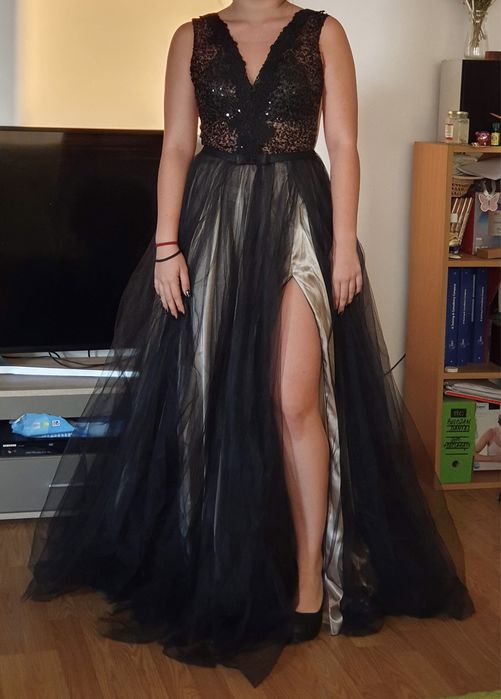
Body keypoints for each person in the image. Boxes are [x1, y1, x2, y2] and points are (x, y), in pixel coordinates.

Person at [22, 1, 475, 688]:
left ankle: (309, 581)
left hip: (298, 220)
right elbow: (177, 145)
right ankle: (213, 561)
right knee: (208, 402)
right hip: (213, 222)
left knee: (295, 400)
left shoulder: (323, 33)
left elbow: (343, 145)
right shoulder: (193, 37)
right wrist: (166, 245)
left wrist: (343, 244)